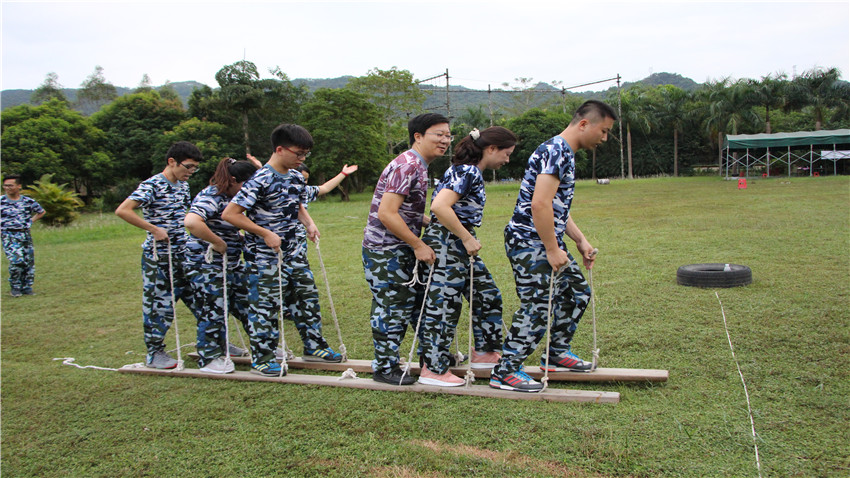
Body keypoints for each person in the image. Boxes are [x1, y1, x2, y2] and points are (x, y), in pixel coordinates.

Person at [490, 100, 617, 393]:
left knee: (576, 292)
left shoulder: (563, 153)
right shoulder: (556, 150)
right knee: (537, 306)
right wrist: (550, 248)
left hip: (545, 240)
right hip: (529, 241)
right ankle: (505, 371)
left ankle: (556, 354)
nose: (604, 138)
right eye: (604, 130)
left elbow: (555, 205)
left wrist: (579, 239)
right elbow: (539, 203)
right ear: (584, 124)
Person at [222, 124, 344, 377]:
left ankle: (314, 346)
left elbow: (297, 205)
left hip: (295, 253)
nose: (301, 160)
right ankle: (263, 359)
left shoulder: (296, 176)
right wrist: (265, 233)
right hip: (264, 259)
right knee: (265, 308)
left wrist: (309, 224)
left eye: (305, 155)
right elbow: (231, 214)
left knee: (306, 299)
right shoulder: (260, 179)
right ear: (279, 149)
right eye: (298, 154)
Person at [417, 126, 517, 387]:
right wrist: (466, 237)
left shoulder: (468, 171)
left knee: (487, 294)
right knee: (444, 306)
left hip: (455, 242)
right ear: (491, 149)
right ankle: (433, 369)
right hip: (449, 244)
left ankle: (484, 353)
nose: (507, 159)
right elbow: (440, 206)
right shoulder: (468, 171)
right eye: (506, 154)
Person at [361, 113, 450, 385]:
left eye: (448, 135)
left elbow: (403, 210)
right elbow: (387, 214)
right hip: (386, 251)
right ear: (418, 136)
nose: (445, 140)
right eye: (438, 134)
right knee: (391, 309)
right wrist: (418, 244)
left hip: (400, 248)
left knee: (414, 307)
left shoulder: (418, 165)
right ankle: (385, 368)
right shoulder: (408, 165)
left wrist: (429, 221)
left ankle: (429, 360)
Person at [115, 141, 204, 369]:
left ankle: (213, 343)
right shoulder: (152, 185)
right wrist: (153, 229)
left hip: (183, 253)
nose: (190, 172)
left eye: (195, 168)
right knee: (159, 305)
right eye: (188, 167)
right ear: (172, 162)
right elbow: (123, 210)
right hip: (159, 257)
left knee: (201, 298)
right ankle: (155, 353)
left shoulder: (183, 186)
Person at [183, 158, 259, 374]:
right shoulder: (211, 195)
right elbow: (191, 222)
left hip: (232, 265)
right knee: (214, 310)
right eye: (247, 184)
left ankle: (262, 348)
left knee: (248, 306)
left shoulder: (234, 196)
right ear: (234, 180)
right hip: (206, 266)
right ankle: (209, 358)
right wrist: (218, 242)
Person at [1, 174, 45, 297]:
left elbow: (41, 212)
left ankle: (27, 287)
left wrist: (30, 222)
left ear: (19, 186)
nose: (7, 188)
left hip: (25, 234)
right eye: (5, 185)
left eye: (10, 185)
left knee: (28, 261)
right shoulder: (1, 202)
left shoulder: (27, 201)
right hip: (9, 234)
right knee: (16, 260)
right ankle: (15, 287)